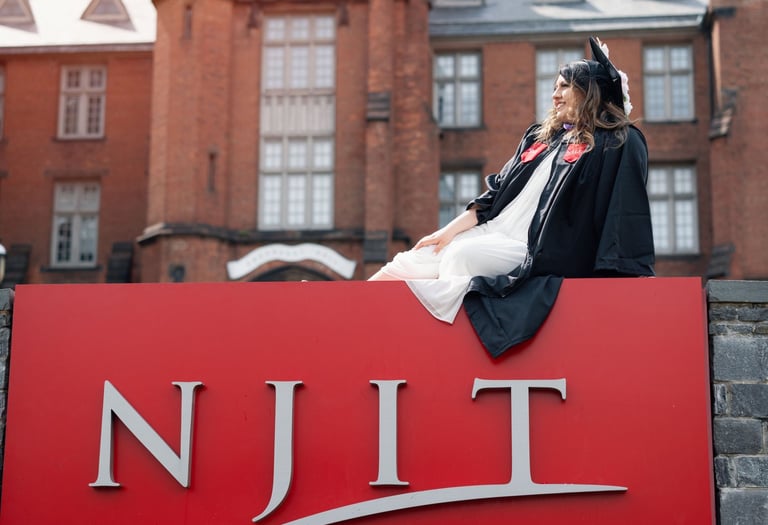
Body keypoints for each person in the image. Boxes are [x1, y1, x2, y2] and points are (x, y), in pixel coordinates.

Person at [369, 36, 655, 358]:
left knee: (462, 256)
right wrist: (445, 232)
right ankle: (355, 322)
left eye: (564, 86)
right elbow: (495, 192)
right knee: (408, 263)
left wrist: (621, 274)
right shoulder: (539, 139)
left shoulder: (616, 142)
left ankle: (441, 352)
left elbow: (624, 211)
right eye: (554, 87)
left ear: (590, 91)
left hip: (533, 248)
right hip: (494, 231)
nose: (554, 95)